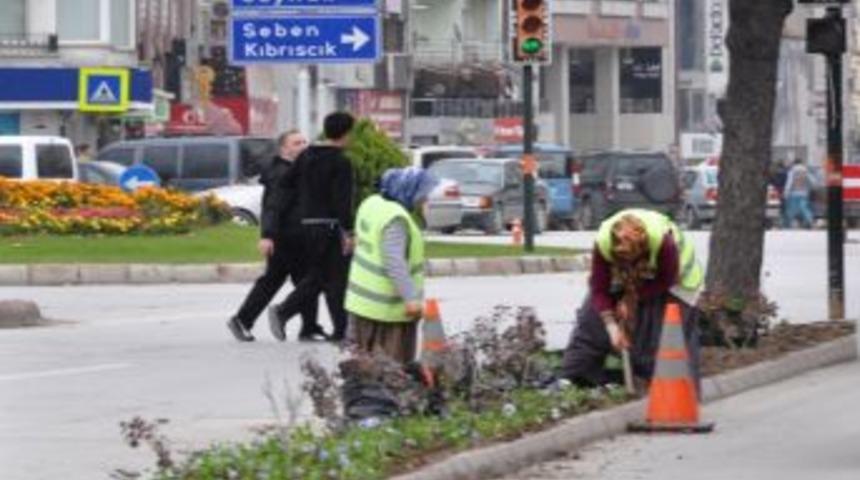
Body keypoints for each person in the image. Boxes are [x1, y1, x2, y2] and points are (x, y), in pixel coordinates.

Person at [559, 208, 704, 391]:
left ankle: (673, 391)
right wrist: (611, 326)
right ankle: (577, 378)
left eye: (631, 257)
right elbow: (599, 289)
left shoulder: (663, 243)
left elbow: (666, 280)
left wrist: (631, 299)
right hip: (631, 276)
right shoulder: (604, 242)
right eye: (621, 257)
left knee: (664, 334)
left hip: (678, 282)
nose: (627, 260)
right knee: (591, 318)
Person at [226, 130, 322, 342]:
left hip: (299, 236)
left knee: (296, 281)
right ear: (284, 149)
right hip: (285, 238)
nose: (303, 146)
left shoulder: (297, 169)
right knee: (301, 281)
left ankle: (307, 327)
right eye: (297, 143)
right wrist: (267, 236)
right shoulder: (281, 173)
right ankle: (245, 320)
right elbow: (272, 207)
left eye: (305, 142)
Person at [269, 112, 356, 343]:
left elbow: (286, 181)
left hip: (307, 225)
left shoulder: (307, 155)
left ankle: (340, 330)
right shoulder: (341, 161)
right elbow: (342, 200)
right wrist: (349, 231)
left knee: (322, 276)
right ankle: (284, 311)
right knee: (332, 278)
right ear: (346, 133)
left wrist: (308, 196)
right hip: (329, 226)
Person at [344, 167, 438, 364]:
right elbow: (394, 261)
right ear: (408, 191)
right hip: (387, 311)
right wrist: (411, 299)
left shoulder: (371, 204)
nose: (426, 199)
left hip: (360, 304)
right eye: (423, 194)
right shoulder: (396, 218)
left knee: (362, 366)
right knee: (390, 372)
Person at [782, 160, 815, 229]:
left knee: (791, 209)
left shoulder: (792, 171)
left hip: (793, 193)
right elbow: (812, 181)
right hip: (804, 193)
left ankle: (787, 223)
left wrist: (786, 192)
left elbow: (789, 182)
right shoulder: (805, 171)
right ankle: (810, 221)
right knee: (805, 208)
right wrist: (809, 188)